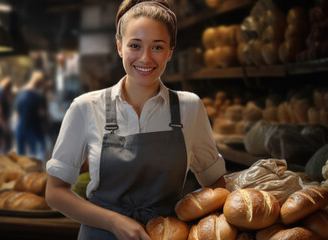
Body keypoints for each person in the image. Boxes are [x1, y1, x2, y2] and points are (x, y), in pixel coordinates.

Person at [45, 1, 227, 239]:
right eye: (135, 45)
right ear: (119, 46)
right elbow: (55, 192)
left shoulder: (189, 107)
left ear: (171, 51)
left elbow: (216, 185)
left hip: (166, 234)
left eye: (158, 47)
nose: (145, 58)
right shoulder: (86, 107)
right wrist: (114, 222)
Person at [14, 71, 48, 160]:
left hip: (20, 127)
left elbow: (16, 113)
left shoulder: (20, 94)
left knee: (20, 158)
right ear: (40, 83)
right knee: (39, 157)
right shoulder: (38, 96)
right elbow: (41, 113)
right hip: (34, 129)